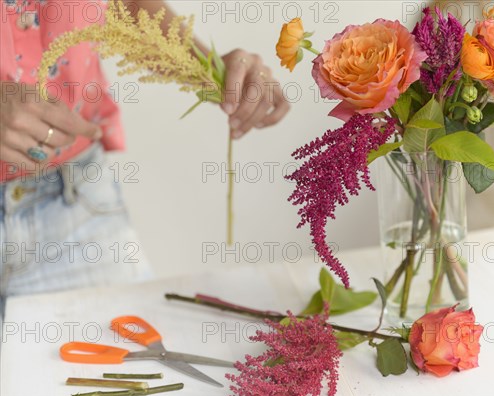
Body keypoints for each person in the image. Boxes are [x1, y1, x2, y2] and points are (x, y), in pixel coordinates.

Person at [0, 0, 289, 317]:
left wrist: (205, 66)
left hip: (76, 204)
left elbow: (122, 6)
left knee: (137, 349)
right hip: (75, 194)